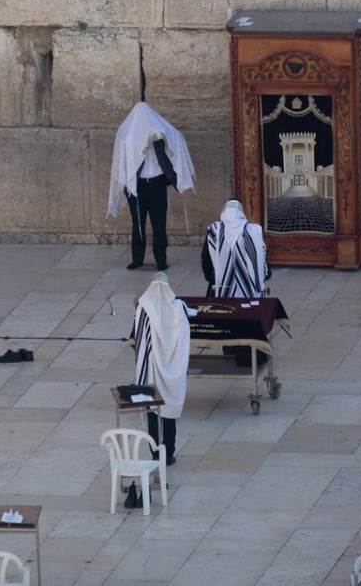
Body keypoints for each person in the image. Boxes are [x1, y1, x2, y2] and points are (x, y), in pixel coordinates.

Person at [107, 102, 196, 271]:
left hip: (157, 184)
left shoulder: (159, 133)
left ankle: (161, 261)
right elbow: (123, 155)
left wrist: (158, 138)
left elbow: (175, 137)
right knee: (138, 223)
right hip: (138, 186)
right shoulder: (128, 134)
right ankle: (137, 259)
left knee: (159, 224)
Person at [131, 272, 190, 468]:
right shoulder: (179, 308)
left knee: (152, 412)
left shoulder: (143, 308)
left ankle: (155, 451)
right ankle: (169, 453)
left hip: (150, 371)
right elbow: (184, 337)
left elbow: (136, 338)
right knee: (170, 412)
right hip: (173, 369)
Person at [202, 199, 270, 298]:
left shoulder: (214, 230)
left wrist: (211, 277)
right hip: (249, 286)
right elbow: (260, 255)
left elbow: (206, 257)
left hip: (221, 285)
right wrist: (264, 275)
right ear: (241, 213)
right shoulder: (254, 230)